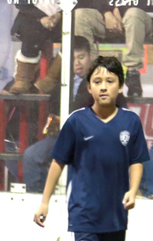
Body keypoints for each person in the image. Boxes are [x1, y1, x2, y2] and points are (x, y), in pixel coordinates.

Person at [34, 56, 149, 241]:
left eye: (110, 81)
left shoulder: (131, 122)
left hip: (116, 214)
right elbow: (58, 162)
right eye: (97, 81)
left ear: (120, 86)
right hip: (83, 211)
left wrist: (133, 190)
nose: (103, 86)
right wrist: (45, 201)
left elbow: (137, 161)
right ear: (88, 87)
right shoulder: (76, 121)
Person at [22, 36, 97, 193]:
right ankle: (39, 196)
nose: (77, 63)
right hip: (62, 137)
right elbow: (51, 106)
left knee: (73, 163)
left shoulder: (100, 80)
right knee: (31, 155)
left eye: (81, 57)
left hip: (90, 139)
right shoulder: (62, 82)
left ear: (90, 57)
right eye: (72, 58)